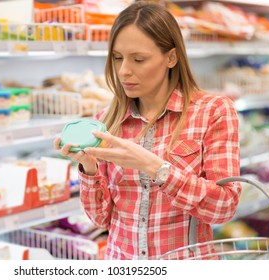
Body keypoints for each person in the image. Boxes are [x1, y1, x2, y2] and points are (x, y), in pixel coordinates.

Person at [54, 1, 241, 260]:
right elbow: (100, 219)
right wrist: (89, 168)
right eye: (118, 58)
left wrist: (157, 168)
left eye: (138, 59)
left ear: (171, 57)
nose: (124, 71)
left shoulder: (213, 111)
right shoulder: (107, 121)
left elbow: (224, 207)